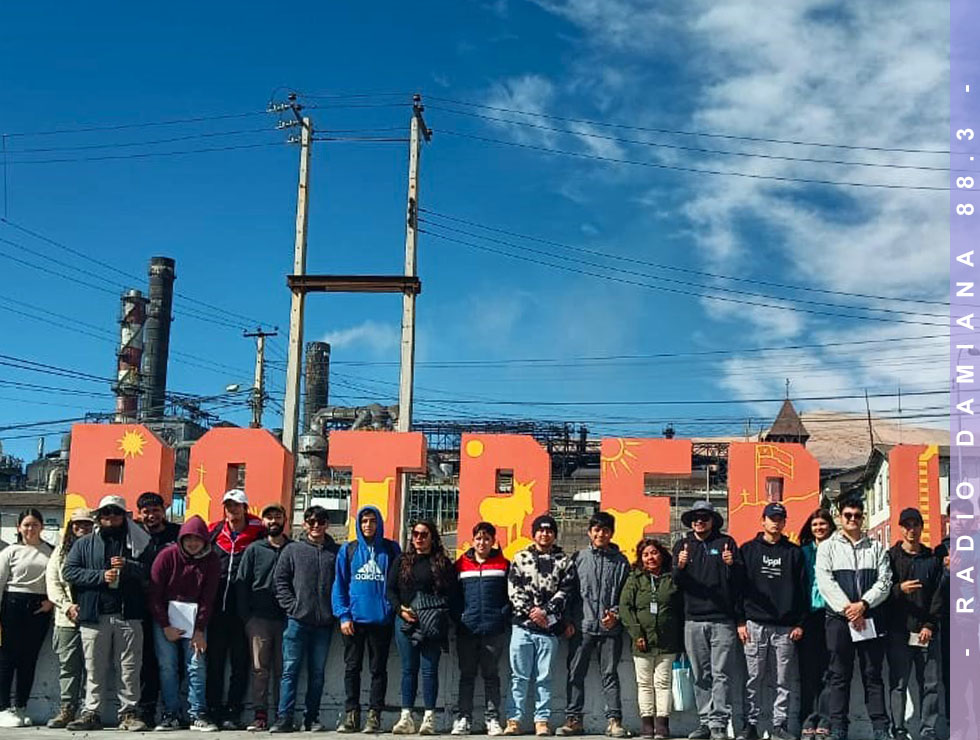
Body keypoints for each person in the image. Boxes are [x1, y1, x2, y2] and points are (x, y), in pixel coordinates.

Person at [64, 495, 154, 732]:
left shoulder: (141, 541)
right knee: (94, 667)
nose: (110, 517)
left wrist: (129, 567)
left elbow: (151, 572)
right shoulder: (84, 544)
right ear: (98, 517)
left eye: (115, 512)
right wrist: (100, 576)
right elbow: (69, 572)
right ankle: (91, 712)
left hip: (129, 613)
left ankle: (129, 713)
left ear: (124, 516)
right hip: (94, 614)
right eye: (105, 513)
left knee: (130, 667)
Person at [815, 498, 891, 740]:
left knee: (873, 674)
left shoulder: (876, 547)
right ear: (839, 516)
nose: (852, 519)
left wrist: (863, 605)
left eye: (857, 515)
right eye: (848, 515)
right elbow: (826, 583)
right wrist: (849, 610)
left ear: (863, 517)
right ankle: (838, 727)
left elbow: (885, 581)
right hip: (838, 620)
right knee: (838, 674)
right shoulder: (828, 547)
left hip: (870, 617)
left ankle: (880, 728)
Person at [735, 503, 808, 740]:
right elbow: (738, 589)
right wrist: (740, 621)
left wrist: (800, 623)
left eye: (780, 518)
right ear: (762, 521)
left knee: (783, 680)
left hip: (786, 627)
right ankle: (750, 726)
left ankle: (779, 726)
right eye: (771, 518)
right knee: (753, 678)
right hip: (754, 624)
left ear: (785, 522)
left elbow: (802, 590)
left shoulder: (794, 553)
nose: (775, 522)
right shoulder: (747, 550)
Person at [671, 500, 741, 740]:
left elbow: (740, 582)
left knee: (721, 673)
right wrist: (679, 566)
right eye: (695, 518)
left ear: (713, 520)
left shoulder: (726, 543)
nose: (699, 521)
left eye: (704, 517)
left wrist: (732, 565)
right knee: (701, 674)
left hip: (722, 620)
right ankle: (705, 721)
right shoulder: (682, 545)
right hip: (693, 620)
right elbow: (676, 583)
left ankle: (719, 723)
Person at [503, 514, 576, 738]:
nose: (545, 534)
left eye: (549, 530)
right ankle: (514, 720)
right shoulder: (520, 557)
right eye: (541, 530)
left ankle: (541, 721)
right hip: (522, 627)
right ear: (534, 533)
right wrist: (532, 612)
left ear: (554, 534)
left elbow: (566, 590)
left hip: (549, 628)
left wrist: (545, 612)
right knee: (519, 676)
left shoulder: (564, 561)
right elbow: (513, 590)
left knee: (544, 677)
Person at [558, 511, 630, 738]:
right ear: (589, 532)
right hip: (582, 626)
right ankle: (573, 720)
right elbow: (568, 592)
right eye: (597, 530)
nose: (601, 534)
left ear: (612, 533)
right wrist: (568, 620)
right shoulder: (578, 558)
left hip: (610, 629)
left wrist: (616, 615)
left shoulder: (621, 562)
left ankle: (614, 721)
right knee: (575, 673)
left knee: (609, 674)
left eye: (606, 530)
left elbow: (626, 595)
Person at [149, 515, 221, 732]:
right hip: (165, 618)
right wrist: (165, 625)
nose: (192, 543)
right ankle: (171, 713)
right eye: (188, 539)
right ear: (181, 539)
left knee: (196, 664)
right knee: (168, 666)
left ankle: (197, 713)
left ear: (205, 541)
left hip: (195, 618)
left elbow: (209, 598)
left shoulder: (212, 560)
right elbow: (153, 594)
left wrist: (199, 630)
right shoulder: (166, 556)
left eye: (197, 539)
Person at [271, 504, 339, 733]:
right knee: (290, 671)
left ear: (327, 524)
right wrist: (292, 607)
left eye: (321, 522)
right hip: (296, 621)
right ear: (304, 524)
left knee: (317, 674)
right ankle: (284, 718)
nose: (316, 526)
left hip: (324, 623)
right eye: (311, 522)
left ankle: (311, 718)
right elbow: (280, 581)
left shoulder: (336, 552)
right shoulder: (292, 550)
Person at [387, 518, 457, 736]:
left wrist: (438, 614)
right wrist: (401, 610)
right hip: (405, 621)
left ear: (433, 538)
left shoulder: (443, 563)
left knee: (429, 670)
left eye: (424, 534)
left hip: (432, 623)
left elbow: (451, 593)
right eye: (415, 534)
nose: (419, 538)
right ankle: (406, 716)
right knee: (408, 669)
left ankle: (429, 718)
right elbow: (390, 591)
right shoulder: (401, 561)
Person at [334, 506, 401, 734]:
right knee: (352, 669)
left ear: (379, 523)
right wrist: (343, 615)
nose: (368, 525)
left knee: (378, 670)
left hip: (381, 621)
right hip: (353, 622)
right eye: (364, 521)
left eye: (372, 521)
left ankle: (375, 716)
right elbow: (339, 585)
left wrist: (392, 611)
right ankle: (351, 715)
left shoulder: (391, 550)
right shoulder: (349, 550)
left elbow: (398, 585)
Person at [206, 488, 266, 730]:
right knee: (215, 663)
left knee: (241, 664)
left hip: (244, 611)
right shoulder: (214, 532)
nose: (233, 510)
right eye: (229, 506)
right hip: (216, 609)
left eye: (237, 505)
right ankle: (213, 710)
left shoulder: (258, 532)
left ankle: (233, 710)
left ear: (245, 508)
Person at [887, 508, 943, 740]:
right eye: (907, 525)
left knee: (929, 685)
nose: (911, 530)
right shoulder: (890, 557)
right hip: (898, 632)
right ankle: (898, 729)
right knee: (898, 685)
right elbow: (881, 593)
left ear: (922, 527)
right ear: (901, 528)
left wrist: (929, 625)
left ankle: (927, 730)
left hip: (925, 633)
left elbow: (939, 596)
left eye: (915, 525)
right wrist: (899, 589)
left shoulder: (932, 559)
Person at [451, 521, 510, 737]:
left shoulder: (504, 565)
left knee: (491, 676)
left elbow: (509, 597)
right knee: (466, 676)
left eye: (486, 539)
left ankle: (492, 719)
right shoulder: (460, 565)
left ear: (493, 541)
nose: (482, 542)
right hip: (467, 629)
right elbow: (454, 597)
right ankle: (463, 718)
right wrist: (460, 618)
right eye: (478, 538)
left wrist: (501, 616)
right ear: (472, 540)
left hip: (493, 630)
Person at [620, 537, 682, 740]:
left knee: (663, 683)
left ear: (661, 555)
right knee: (644, 683)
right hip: (642, 643)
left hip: (668, 641)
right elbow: (625, 608)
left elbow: (681, 607)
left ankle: (662, 725)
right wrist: (637, 633)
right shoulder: (635, 579)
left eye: (654, 553)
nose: (650, 558)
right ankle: (647, 724)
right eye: (645, 555)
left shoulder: (672, 577)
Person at [237, 503, 290, 732]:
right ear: (263, 521)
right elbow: (242, 584)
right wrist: (246, 617)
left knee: (284, 669)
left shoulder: (293, 549)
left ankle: (283, 714)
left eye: (277, 516)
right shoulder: (254, 549)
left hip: (287, 618)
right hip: (258, 618)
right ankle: (259, 714)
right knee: (260, 669)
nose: (273, 521)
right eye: (269, 517)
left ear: (285, 520)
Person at [0, 508, 54, 728]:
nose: (31, 529)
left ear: (42, 527)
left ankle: (21, 706)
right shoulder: (10, 552)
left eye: (35, 524)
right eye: (26, 525)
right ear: (19, 528)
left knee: (29, 660)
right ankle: (3, 708)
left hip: (39, 609)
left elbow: (58, 580)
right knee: (6, 658)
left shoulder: (51, 551)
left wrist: (51, 602)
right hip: (12, 606)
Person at [44, 507, 94, 729]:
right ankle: (67, 708)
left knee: (93, 667)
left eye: (86, 524)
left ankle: (88, 710)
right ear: (70, 528)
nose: (82, 528)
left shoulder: (97, 549)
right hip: (67, 619)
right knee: (68, 666)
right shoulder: (60, 552)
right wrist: (67, 606)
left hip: (93, 617)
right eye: (78, 525)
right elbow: (53, 583)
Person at [135, 491, 181, 726]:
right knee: (146, 661)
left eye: (156, 510)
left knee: (175, 661)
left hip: (172, 607)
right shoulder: (132, 533)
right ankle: (146, 710)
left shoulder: (177, 533)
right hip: (139, 607)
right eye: (146, 511)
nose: (151, 515)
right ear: (139, 513)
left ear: (164, 511)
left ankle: (173, 710)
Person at [798, 508, 836, 735]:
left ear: (830, 526)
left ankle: (825, 720)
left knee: (830, 671)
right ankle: (807, 720)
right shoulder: (802, 553)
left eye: (823, 524)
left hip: (831, 615)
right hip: (808, 616)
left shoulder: (837, 550)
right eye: (815, 525)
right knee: (808, 671)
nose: (819, 528)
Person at [932, 505, 950, 731]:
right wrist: (946, 572)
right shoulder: (940, 550)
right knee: (951, 673)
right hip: (948, 621)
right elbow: (936, 588)